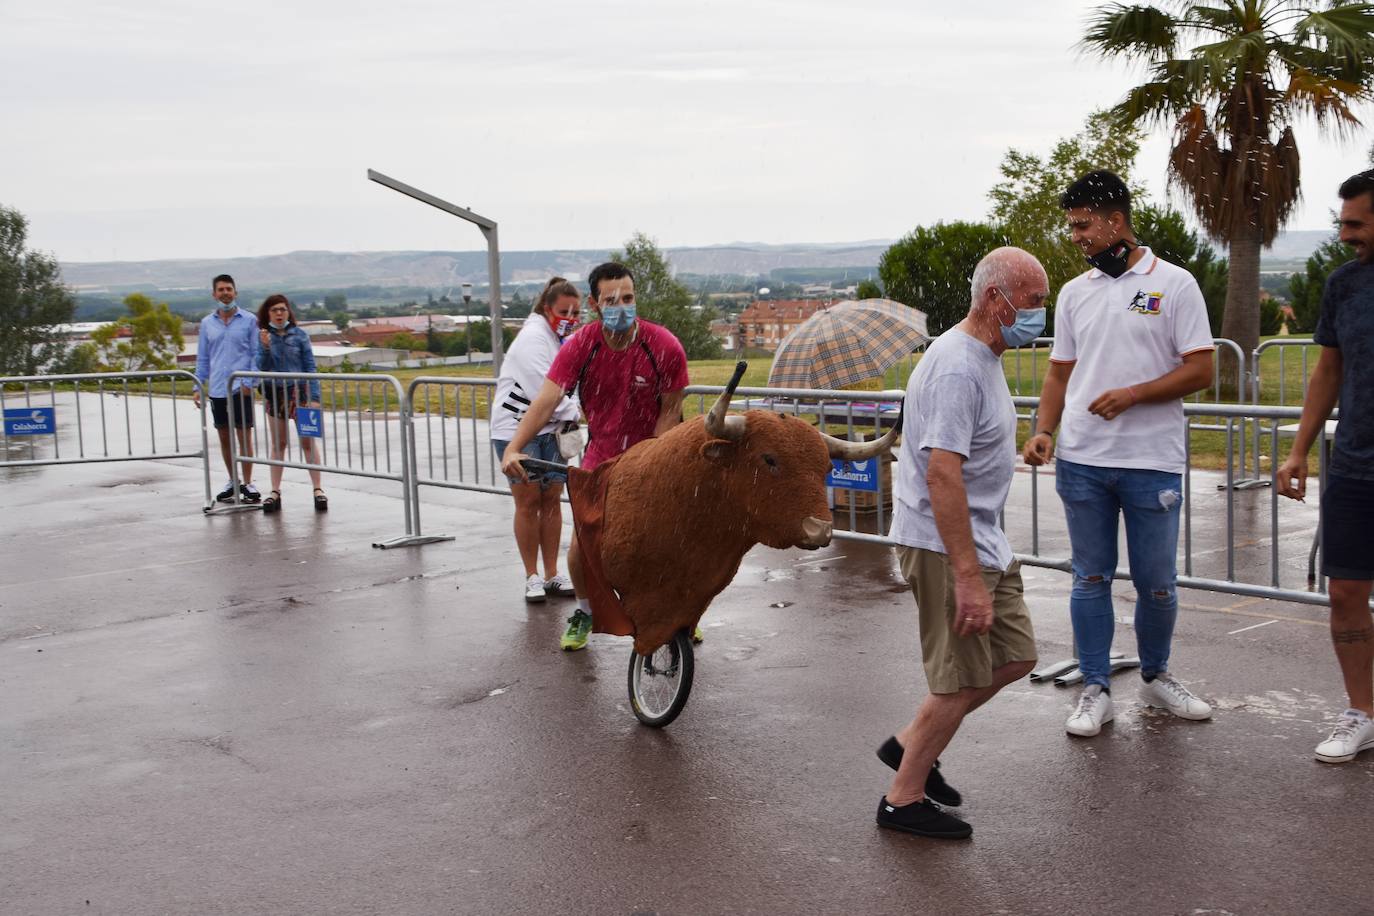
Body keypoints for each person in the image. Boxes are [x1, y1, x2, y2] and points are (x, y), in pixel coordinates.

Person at [1023, 171, 1216, 737]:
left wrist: (1134, 395)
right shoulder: (1076, 291)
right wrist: (1044, 430)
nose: (1077, 236)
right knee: (1089, 578)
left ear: (1115, 219)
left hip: (1151, 460)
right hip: (1082, 460)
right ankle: (1094, 687)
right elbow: (1060, 372)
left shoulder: (1175, 284)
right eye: (1073, 227)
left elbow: (1202, 369)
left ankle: (1157, 678)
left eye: (1084, 225)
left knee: (1156, 581)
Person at [877, 247, 1046, 840]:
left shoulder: (985, 355)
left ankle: (909, 745)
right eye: (1032, 302)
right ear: (995, 300)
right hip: (948, 549)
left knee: (1015, 656)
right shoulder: (956, 366)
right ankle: (903, 800)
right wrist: (968, 576)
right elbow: (941, 474)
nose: (1039, 314)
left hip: (983, 541)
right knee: (958, 678)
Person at [500, 262, 689, 651]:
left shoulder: (665, 346)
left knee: (663, 545)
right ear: (595, 303)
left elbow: (670, 413)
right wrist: (514, 445)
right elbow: (548, 398)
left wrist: (652, 465)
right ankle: (585, 611)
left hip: (651, 454)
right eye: (611, 300)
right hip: (600, 458)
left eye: (628, 298)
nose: (621, 306)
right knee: (582, 549)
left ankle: (681, 612)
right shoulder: (582, 345)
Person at [1277, 169, 1374, 764]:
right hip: (1357, 467)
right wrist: (1297, 451)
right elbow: (1327, 373)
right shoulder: (1344, 286)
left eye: (1355, 223)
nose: (1343, 235)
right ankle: (1362, 713)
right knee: (1344, 593)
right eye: (1341, 222)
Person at [491, 277, 583, 602]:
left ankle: (552, 573)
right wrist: (575, 413)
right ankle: (532, 576)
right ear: (547, 308)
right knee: (528, 502)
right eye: (564, 312)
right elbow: (543, 391)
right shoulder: (533, 338)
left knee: (552, 500)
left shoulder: (564, 339)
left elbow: (573, 385)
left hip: (555, 431)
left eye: (577, 313)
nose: (571, 319)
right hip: (518, 430)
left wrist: (573, 411)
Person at [255, 294, 326, 513]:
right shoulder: (262, 337)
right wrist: (266, 347)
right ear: (268, 313)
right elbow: (261, 366)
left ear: (288, 312)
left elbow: (310, 366)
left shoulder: (300, 335)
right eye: (274, 310)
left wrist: (314, 398)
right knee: (279, 443)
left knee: (308, 442)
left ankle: (318, 489)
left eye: (282, 309)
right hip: (275, 393)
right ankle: (275, 491)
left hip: (301, 392)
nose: (278, 313)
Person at [194, 274, 260, 503]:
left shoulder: (249, 320)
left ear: (235, 292)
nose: (225, 293)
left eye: (229, 289)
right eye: (220, 290)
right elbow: (203, 357)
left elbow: (255, 354)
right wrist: (197, 385)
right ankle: (232, 480)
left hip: (241, 388)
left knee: (244, 436)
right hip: (218, 389)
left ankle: (248, 482)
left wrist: (250, 382)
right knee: (224, 436)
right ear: (214, 294)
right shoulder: (206, 324)